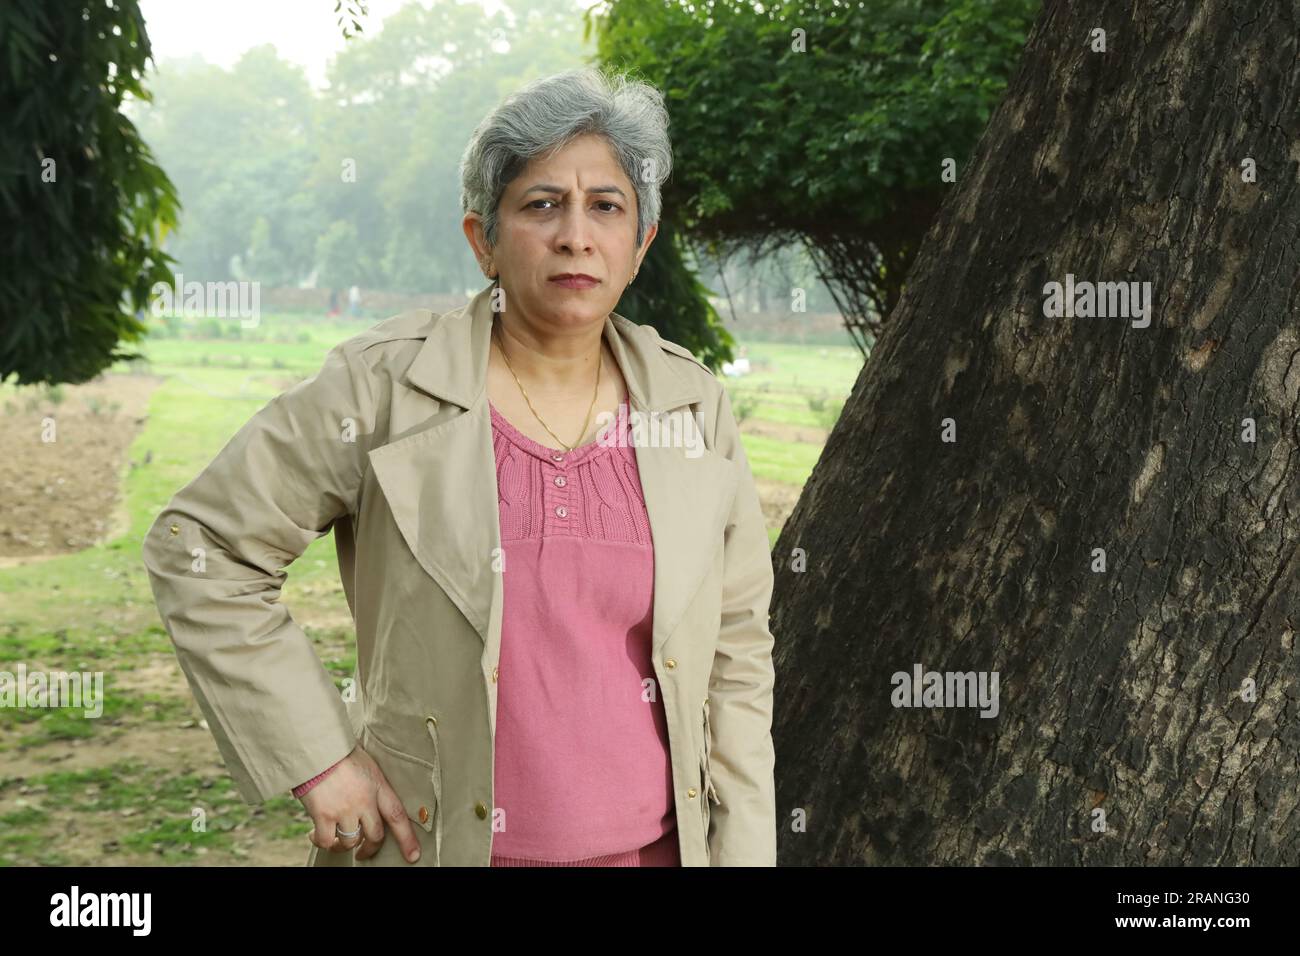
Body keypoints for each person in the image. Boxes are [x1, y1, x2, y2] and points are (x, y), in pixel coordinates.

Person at [140, 66, 776, 868]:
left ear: (639, 243)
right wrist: (320, 760)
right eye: (542, 205)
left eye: (606, 207)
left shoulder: (693, 407)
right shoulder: (385, 388)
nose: (576, 235)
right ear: (483, 240)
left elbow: (737, 660)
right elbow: (201, 545)